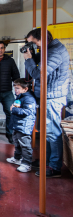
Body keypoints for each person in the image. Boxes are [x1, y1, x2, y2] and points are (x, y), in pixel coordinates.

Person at [23, 28, 70, 178]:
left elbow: (38, 73)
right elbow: (41, 64)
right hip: (48, 95)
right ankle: (47, 160)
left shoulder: (55, 51)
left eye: (33, 43)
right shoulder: (48, 49)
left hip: (52, 97)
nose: (33, 46)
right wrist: (33, 56)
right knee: (47, 131)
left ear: (42, 39)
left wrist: (28, 59)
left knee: (53, 132)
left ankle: (54, 167)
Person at [6, 78, 36, 173]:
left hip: (24, 126)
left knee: (25, 145)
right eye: (15, 88)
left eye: (18, 88)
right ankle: (17, 158)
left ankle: (27, 164)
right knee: (17, 142)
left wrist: (13, 109)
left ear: (25, 89)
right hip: (17, 125)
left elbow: (28, 111)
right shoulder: (20, 96)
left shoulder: (29, 98)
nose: (16, 90)